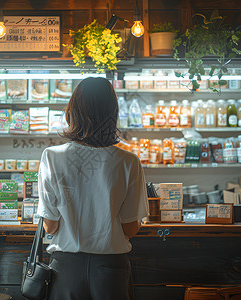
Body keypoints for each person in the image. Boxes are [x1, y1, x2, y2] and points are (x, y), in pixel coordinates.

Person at [37, 77, 148, 300]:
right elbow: (130, 229)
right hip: (110, 269)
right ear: (113, 113)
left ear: (72, 111)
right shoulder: (128, 161)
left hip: (66, 268)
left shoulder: (52, 157)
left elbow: (49, 227)